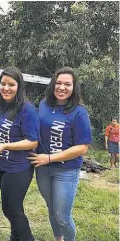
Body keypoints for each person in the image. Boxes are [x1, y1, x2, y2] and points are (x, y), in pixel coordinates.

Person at [28, 67, 92, 241]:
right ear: (53, 84)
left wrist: (49, 157)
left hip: (66, 171)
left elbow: (82, 147)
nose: (62, 87)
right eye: (59, 83)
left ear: (73, 88)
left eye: (67, 84)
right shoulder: (43, 105)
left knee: (62, 217)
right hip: (42, 169)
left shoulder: (79, 112)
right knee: (51, 209)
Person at [0, 66, 40, 241]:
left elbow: (33, 141)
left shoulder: (27, 109)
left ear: (19, 87)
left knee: (11, 209)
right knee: (14, 207)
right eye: (3, 84)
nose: (6, 88)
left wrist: (5, 146)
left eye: (11, 84)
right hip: (1, 165)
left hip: (19, 167)